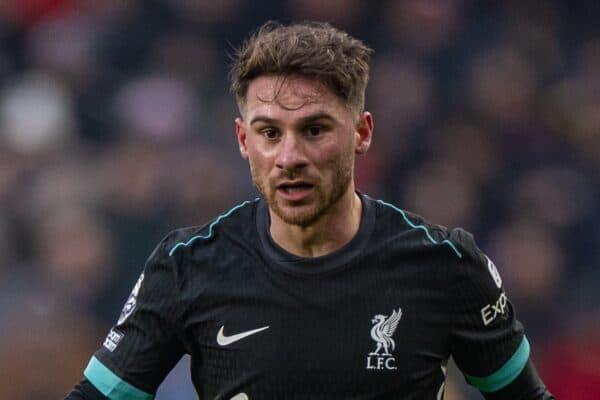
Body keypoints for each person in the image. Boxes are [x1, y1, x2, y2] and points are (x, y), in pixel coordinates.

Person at [66, 21, 554, 399]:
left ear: (361, 133)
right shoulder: (187, 265)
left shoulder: (447, 265)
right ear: (243, 140)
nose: (290, 157)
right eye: (270, 133)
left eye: (315, 130)